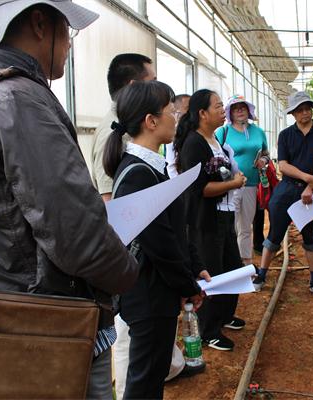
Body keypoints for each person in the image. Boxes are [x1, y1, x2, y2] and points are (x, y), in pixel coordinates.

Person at [0, 1, 140, 397]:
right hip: (47, 321)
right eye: (68, 30)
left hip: (2, 309)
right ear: (39, 23)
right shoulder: (20, 97)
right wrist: (129, 273)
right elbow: (74, 235)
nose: (69, 44)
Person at [102, 80, 207, 399]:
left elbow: (172, 230)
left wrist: (194, 267)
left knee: (151, 375)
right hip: (148, 294)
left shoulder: (146, 169)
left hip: (153, 291)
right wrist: (187, 285)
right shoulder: (138, 174)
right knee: (144, 382)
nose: (177, 116)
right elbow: (159, 244)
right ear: (151, 121)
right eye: (171, 110)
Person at [174, 89, 247, 351]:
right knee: (212, 273)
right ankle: (207, 330)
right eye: (217, 107)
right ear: (202, 113)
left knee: (232, 267)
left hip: (224, 216)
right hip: (205, 220)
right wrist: (234, 184)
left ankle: (224, 315)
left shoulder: (215, 139)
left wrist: (234, 181)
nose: (222, 111)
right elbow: (200, 189)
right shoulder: (194, 143)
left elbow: (222, 175)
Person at [253, 91, 313, 299]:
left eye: (308, 108)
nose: (305, 113)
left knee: (310, 235)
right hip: (288, 188)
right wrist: (309, 178)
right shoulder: (286, 135)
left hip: (312, 190)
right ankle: (261, 275)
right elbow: (283, 165)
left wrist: (312, 185)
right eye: (300, 110)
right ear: (293, 114)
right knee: (275, 232)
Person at [91, 53, 156, 201]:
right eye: (153, 83)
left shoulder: (130, 124)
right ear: (133, 87)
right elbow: (109, 202)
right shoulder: (112, 132)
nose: (157, 89)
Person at [215, 95, 269, 266]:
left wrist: (264, 161)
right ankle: (229, 264)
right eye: (235, 108)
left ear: (248, 110)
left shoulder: (258, 132)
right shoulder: (223, 132)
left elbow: (266, 153)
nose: (239, 110)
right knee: (229, 227)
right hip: (228, 187)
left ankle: (245, 264)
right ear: (230, 112)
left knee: (245, 227)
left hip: (250, 185)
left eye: (243, 107)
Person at [165, 94, 191, 178]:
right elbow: (171, 166)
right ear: (176, 112)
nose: (192, 112)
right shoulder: (173, 134)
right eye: (188, 108)